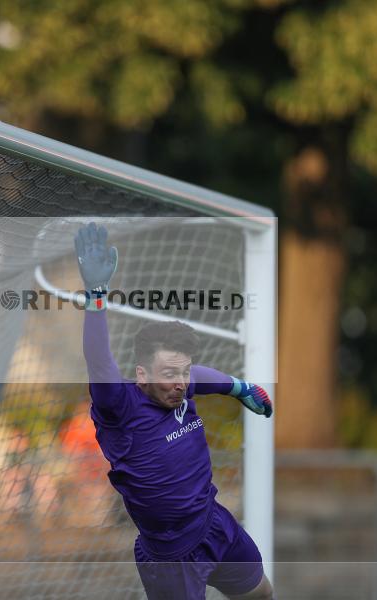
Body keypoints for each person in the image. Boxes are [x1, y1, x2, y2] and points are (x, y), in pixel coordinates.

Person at [75, 223, 275, 600]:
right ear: (142, 375)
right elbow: (99, 361)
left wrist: (239, 387)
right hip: (171, 556)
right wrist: (95, 295)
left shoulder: (181, 387)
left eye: (182, 372)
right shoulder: (120, 407)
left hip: (216, 525)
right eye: (169, 374)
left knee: (262, 594)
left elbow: (198, 375)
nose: (180, 383)